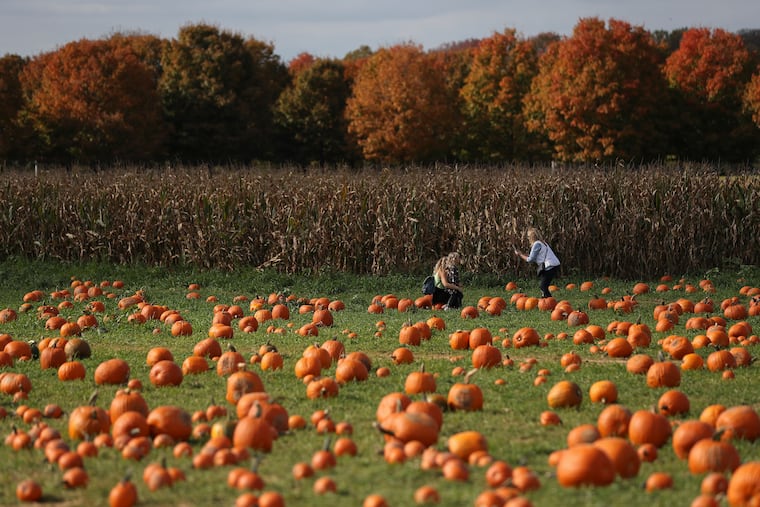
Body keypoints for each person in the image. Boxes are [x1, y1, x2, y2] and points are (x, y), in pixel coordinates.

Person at [514, 227, 561, 298]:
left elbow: (530, 259)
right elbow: (536, 257)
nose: (528, 238)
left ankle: (548, 302)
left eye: (528, 236)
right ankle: (547, 300)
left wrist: (520, 254)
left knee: (543, 286)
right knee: (544, 286)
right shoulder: (542, 243)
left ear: (531, 237)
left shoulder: (536, 244)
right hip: (554, 265)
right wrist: (523, 254)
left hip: (550, 266)